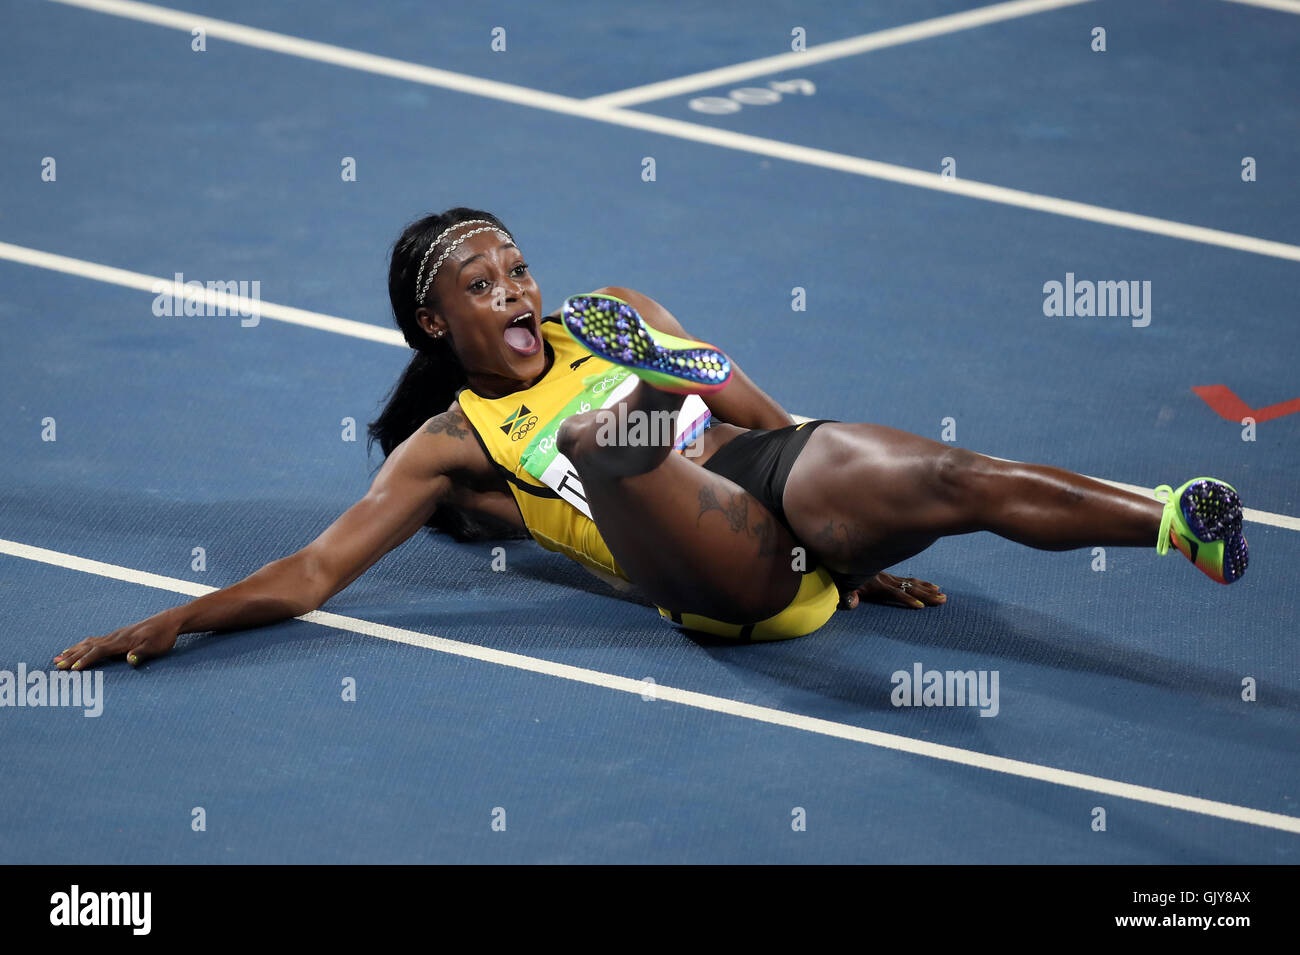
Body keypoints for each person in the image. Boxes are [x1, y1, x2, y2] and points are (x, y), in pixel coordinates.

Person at [51, 208, 1248, 670]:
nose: (517, 290)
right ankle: (639, 435)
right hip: (721, 575)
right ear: (435, 320)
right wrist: (173, 620)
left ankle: (1166, 518)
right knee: (622, 443)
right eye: (483, 283)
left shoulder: (610, 314)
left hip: (775, 503)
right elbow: (313, 573)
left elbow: (763, 420)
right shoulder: (454, 440)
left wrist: (861, 538)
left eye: (519, 266)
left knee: (944, 473)